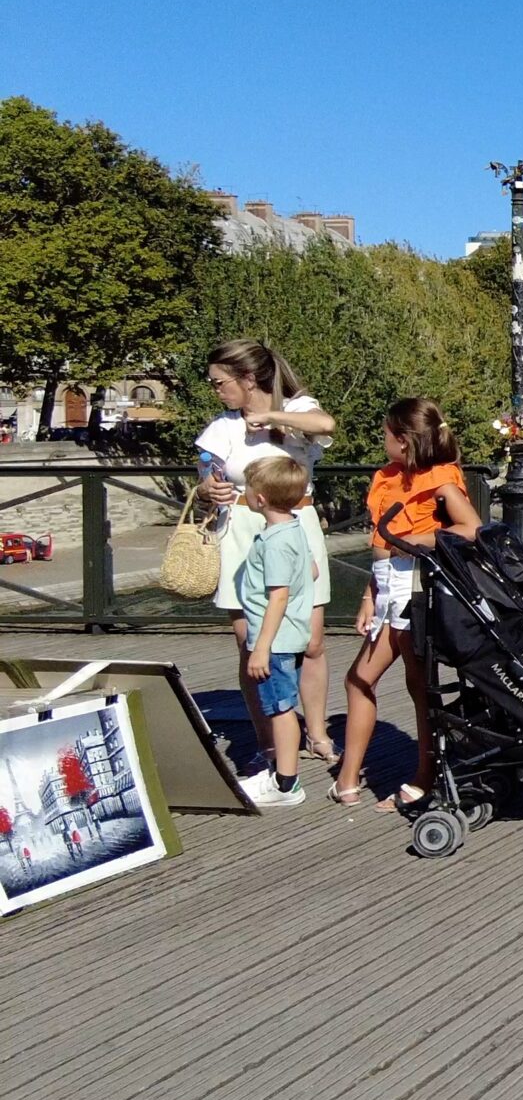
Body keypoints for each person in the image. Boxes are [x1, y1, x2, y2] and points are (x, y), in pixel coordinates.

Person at [197, 340, 339, 772]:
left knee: (311, 642)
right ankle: (269, 739)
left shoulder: (298, 411)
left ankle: (315, 733)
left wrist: (271, 417)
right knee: (250, 644)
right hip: (242, 530)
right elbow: (207, 469)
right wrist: (207, 488)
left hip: (298, 527)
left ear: (247, 378)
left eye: (220, 383)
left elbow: (326, 424)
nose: (216, 390)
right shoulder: (223, 426)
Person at [334, 399, 481, 811]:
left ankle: (424, 777)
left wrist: (421, 541)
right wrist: (369, 596)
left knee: (414, 685)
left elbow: (471, 529)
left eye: (385, 434)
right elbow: (382, 546)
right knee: (367, 680)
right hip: (387, 587)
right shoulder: (389, 477)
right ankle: (350, 778)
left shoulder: (439, 478)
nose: (381, 440)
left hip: (415, 587)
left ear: (403, 440)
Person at [235, 457, 318, 807]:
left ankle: (286, 783)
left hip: (276, 640)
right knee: (282, 704)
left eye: (249, 488)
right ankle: (282, 776)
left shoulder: (275, 542)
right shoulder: (294, 529)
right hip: (291, 635)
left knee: (280, 709)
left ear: (261, 499)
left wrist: (260, 648)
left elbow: (278, 596)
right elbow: (311, 570)